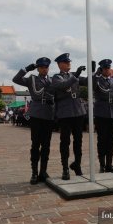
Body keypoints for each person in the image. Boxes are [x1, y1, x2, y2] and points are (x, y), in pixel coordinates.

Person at [13, 56, 72, 184]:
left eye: (46, 67)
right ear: (38, 68)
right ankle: (34, 172)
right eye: (42, 67)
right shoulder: (32, 79)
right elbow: (16, 79)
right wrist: (27, 69)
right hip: (36, 113)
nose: (44, 69)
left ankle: (43, 171)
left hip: (49, 113)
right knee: (35, 144)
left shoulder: (52, 80)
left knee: (46, 145)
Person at [52, 53, 87, 180]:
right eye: (66, 63)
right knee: (65, 141)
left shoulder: (73, 76)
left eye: (69, 62)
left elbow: (88, 81)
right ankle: (65, 167)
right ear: (60, 64)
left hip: (78, 111)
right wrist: (76, 75)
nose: (69, 64)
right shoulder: (56, 77)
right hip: (65, 112)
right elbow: (63, 85)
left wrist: (95, 72)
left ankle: (77, 164)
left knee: (78, 141)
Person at [93, 59, 113, 174]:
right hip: (101, 114)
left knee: (111, 141)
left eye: (108, 68)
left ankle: (109, 164)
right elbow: (91, 83)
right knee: (102, 140)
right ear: (101, 69)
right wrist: (96, 73)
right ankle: (102, 165)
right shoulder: (97, 80)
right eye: (105, 68)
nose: (108, 70)